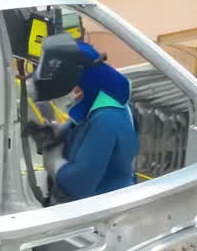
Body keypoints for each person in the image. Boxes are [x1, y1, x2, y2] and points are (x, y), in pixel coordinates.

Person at [41, 42, 139, 202]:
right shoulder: (98, 103)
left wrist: (53, 162)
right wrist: (57, 134)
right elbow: (80, 131)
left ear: (86, 80)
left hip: (99, 210)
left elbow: (79, 184)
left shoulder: (107, 118)